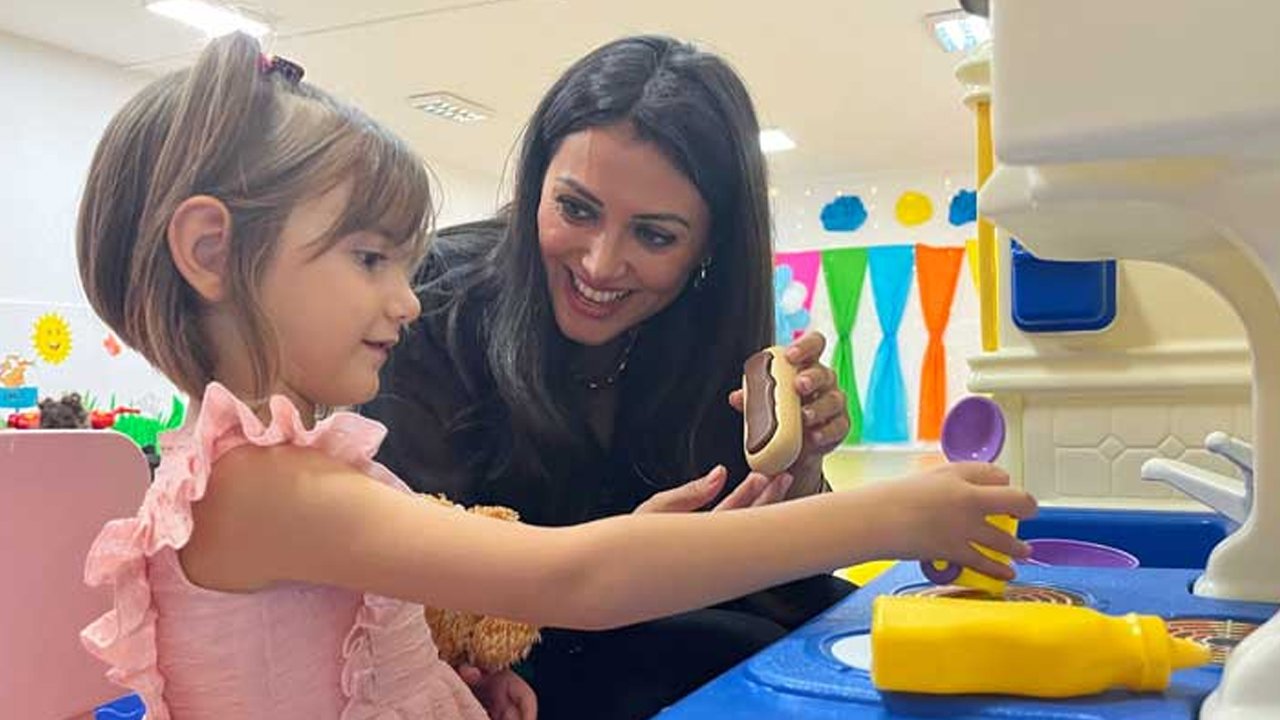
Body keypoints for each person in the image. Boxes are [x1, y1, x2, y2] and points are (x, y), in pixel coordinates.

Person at [77, 32, 1036, 720]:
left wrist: (449, 673)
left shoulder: (302, 474)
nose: (408, 301)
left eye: (654, 236)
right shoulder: (269, 488)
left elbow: (391, 618)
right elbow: (577, 580)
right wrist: (895, 514)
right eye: (371, 260)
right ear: (211, 251)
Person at [360, 35, 906, 718]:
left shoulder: (710, 333)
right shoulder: (429, 305)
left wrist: (797, 477)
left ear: (709, 249)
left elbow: (776, 587)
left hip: (691, 653)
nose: (599, 263)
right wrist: (632, 559)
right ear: (535, 187)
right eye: (576, 209)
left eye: (654, 236)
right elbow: (404, 599)